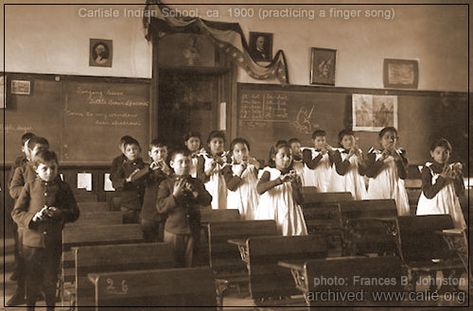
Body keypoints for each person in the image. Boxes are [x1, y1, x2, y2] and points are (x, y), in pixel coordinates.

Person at [11, 150, 80, 310]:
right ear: (36, 169)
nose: (50, 172)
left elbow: (75, 212)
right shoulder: (29, 186)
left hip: (53, 242)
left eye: (53, 168)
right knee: (32, 281)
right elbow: (16, 212)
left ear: (58, 168)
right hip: (31, 243)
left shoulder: (63, 187)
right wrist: (33, 217)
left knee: (50, 281)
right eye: (45, 169)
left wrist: (60, 213)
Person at [157, 149, 212, 267]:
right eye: (180, 162)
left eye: (187, 162)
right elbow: (160, 207)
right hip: (174, 231)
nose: (184, 165)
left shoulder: (197, 183)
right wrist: (174, 196)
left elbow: (207, 200)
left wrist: (195, 193)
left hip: (193, 230)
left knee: (192, 266)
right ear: (172, 164)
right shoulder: (166, 184)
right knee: (173, 266)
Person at [5, 132, 35, 306]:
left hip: (41, 221)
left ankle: (35, 291)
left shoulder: (46, 167)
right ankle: (20, 292)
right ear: (27, 151)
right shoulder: (20, 167)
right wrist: (31, 189)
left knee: (37, 260)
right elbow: (13, 189)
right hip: (24, 217)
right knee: (23, 256)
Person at [255, 143, 307, 236]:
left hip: (291, 212)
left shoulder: (295, 175)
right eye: (282, 156)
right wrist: (279, 181)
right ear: (274, 157)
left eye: (289, 156)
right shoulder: (268, 172)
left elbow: (300, 201)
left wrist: (295, 184)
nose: (286, 159)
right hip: (271, 210)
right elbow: (259, 189)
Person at [416, 138, 466, 229]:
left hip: (450, 206)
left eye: (445, 152)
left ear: (449, 154)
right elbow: (428, 194)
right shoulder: (428, 169)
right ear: (432, 154)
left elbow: (460, 192)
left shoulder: (452, 169)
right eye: (438, 152)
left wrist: (456, 178)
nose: (442, 156)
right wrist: (442, 178)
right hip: (432, 207)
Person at [364, 127, 410, 216]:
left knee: (398, 215)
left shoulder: (401, 155)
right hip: (378, 191)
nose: (390, 140)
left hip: (395, 191)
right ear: (380, 140)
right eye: (387, 137)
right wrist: (381, 159)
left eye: (393, 138)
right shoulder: (374, 154)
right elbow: (369, 173)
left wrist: (398, 160)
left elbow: (403, 176)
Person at [140, 139, 172, 242]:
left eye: (163, 151)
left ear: (167, 153)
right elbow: (134, 180)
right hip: (148, 213)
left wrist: (168, 172)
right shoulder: (145, 169)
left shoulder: (172, 170)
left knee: (165, 244)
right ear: (150, 154)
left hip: (166, 214)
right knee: (148, 245)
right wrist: (149, 170)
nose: (160, 155)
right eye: (156, 152)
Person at [111, 137, 147, 223]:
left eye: (135, 149)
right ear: (125, 153)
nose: (132, 152)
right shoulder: (122, 168)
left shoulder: (146, 167)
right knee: (128, 230)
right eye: (129, 150)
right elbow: (115, 183)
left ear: (140, 150)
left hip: (144, 205)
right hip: (128, 205)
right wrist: (127, 180)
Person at [223, 138, 260, 220]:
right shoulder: (228, 168)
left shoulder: (253, 166)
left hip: (252, 200)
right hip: (237, 201)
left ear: (248, 151)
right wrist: (241, 169)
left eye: (244, 150)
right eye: (237, 151)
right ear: (232, 154)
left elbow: (262, 172)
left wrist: (254, 163)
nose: (241, 154)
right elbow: (230, 186)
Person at [330, 129, 367, 200]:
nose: (349, 142)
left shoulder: (359, 152)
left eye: (351, 139)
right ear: (341, 142)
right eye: (345, 140)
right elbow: (341, 171)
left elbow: (363, 172)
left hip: (356, 182)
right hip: (343, 183)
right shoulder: (338, 153)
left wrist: (360, 158)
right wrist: (348, 156)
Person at [197, 130, 228, 210]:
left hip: (224, 190)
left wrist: (222, 164)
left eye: (220, 142)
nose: (218, 145)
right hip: (209, 189)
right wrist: (210, 168)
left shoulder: (228, 158)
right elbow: (199, 179)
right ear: (209, 144)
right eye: (215, 142)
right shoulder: (203, 158)